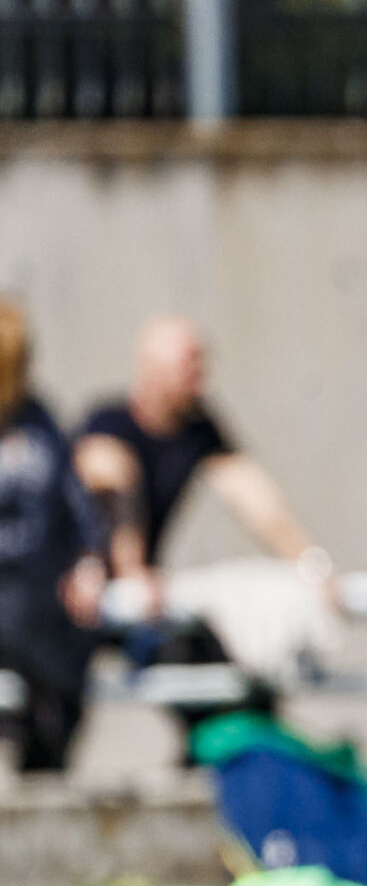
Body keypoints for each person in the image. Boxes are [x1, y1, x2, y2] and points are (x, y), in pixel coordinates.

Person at [75, 316, 336, 612]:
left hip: (141, 592)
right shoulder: (108, 424)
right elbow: (110, 492)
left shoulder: (198, 428)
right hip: (83, 587)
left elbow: (252, 496)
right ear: (155, 371)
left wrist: (308, 561)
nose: (202, 377)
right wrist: (130, 570)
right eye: (189, 364)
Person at [0, 301, 107, 772]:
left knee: (73, 634)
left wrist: (89, 559)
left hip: (42, 590)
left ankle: (47, 750)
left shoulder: (39, 421)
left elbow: (75, 501)